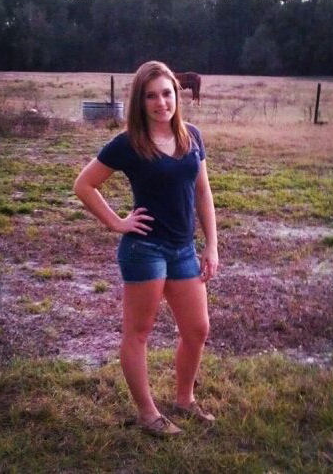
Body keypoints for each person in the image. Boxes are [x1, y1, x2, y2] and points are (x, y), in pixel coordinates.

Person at [73, 60, 218, 437]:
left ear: (177, 94)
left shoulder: (192, 137)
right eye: (151, 96)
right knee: (139, 332)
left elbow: (202, 192)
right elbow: (84, 185)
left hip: (183, 250)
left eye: (167, 93)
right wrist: (116, 222)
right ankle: (147, 412)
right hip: (145, 250)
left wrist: (212, 245)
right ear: (140, 101)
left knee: (197, 328)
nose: (161, 102)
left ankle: (184, 400)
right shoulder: (128, 143)